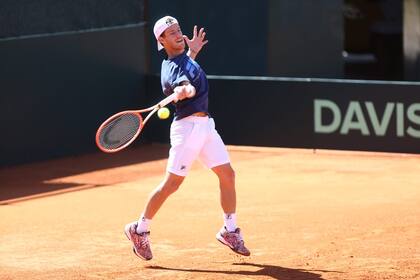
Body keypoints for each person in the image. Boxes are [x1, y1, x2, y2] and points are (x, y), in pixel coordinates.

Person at [124, 15, 250, 261]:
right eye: (171, 33)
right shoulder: (170, 68)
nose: (178, 34)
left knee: (228, 174)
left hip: (205, 127)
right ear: (161, 40)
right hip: (187, 130)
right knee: (172, 185)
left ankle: (229, 229)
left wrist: (192, 53)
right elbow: (182, 80)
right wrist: (184, 90)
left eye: (178, 30)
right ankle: (139, 229)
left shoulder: (184, 59)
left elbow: (187, 70)